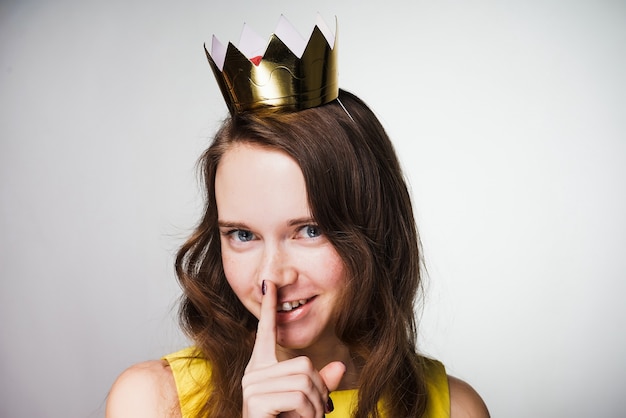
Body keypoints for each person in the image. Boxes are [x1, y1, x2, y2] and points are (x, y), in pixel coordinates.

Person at [106, 17, 489, 418]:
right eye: (242, 235)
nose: (272, 275)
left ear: (373, 227)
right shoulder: (151, 402)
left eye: (309, 230)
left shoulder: (455, 408)